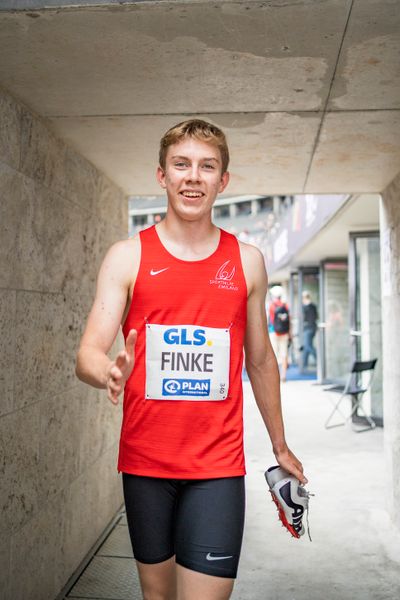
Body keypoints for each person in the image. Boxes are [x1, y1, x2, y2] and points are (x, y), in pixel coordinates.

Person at [75, 119, 306, 600]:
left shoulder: (246, 261)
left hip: (218, 469)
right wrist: (109, 372)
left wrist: (280, 445)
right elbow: (88, 354)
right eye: (181, 165)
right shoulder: (127, 257)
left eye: (207, 167)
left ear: (223, 181)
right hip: (145, 466)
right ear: (162, 175)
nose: (193, 177)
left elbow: (260, 361)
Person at [268, 286, 291, 382]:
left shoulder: (271, 306)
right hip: (284, 333)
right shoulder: (285, 306)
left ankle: (275, 375)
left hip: (274, 332)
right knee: (284, 354)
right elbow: (289, 320)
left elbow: (270, 320)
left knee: (274, 354)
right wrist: (290, 333)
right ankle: (283, 376)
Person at [301, 291, 318, 371]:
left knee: (308, 346)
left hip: (309, 328)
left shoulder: (309, 307)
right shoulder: (310, 306)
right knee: (306, 346)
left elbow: (312, 318)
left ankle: (318, 360)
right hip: (310, 328)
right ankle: (304, 364)